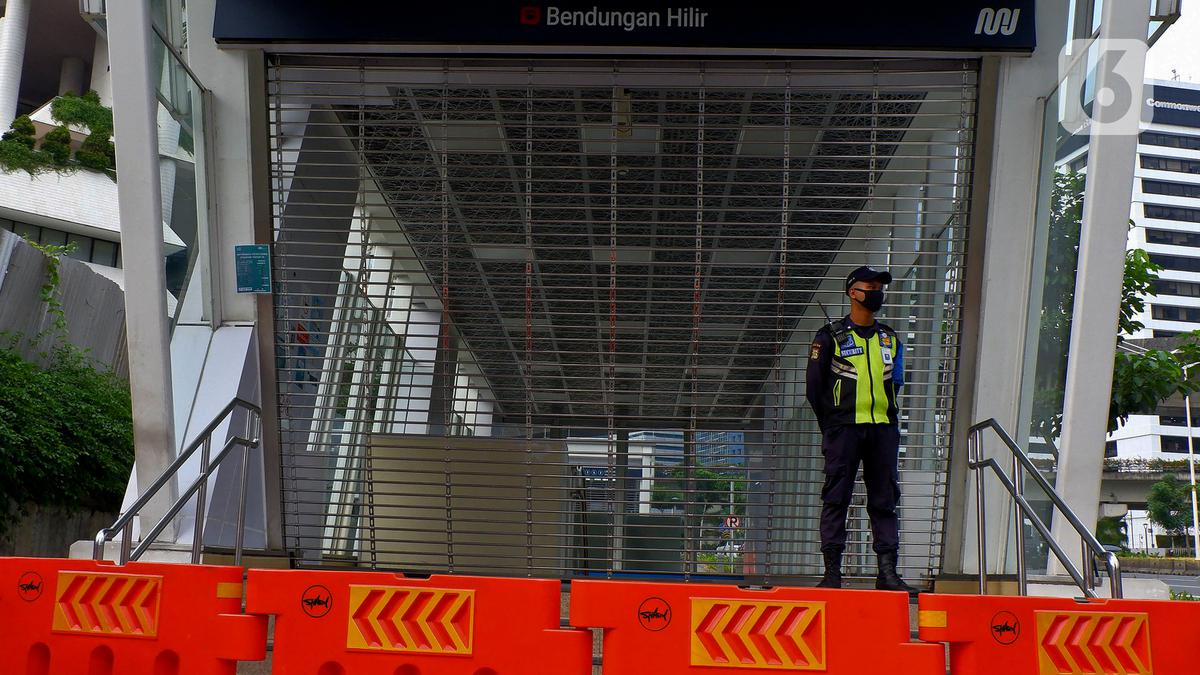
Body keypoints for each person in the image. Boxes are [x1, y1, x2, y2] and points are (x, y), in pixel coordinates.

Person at [804, 266, 918, 593]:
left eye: (880, 287)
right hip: (844, 430)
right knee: (836, 497)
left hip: (883, 430)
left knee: (884, 500)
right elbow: (815, 389)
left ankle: (887, 574)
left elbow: (896, 383)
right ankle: (832, 574)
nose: (877, 292)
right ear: (853, 292)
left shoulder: (890, 338)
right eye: (871, 286)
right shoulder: (830, 337)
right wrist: (833, 426)